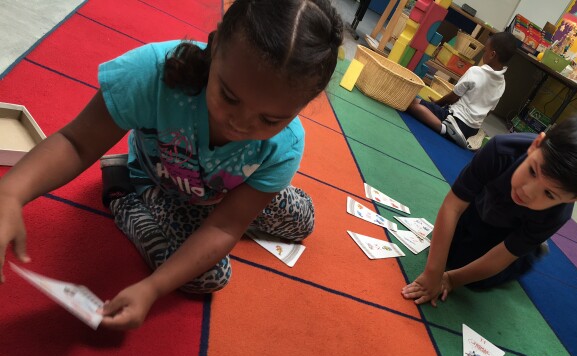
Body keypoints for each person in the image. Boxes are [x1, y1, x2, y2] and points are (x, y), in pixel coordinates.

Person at [0, 0, 343, 330]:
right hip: (165, 180)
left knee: (303, 219)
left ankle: (232, 201)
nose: (239, 123)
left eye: (270, 119)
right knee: (210, 275)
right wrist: (11, 193)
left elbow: (225, 228)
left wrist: (152, 288)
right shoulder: (154, 73)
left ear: (303, 105)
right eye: (229, 96)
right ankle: (122, 191)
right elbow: (76, 143)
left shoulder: (285, 146)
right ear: (217, 41)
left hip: (225, 192)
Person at [401, 114, 577, 306]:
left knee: (479, 279)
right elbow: (453, 206)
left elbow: (501, 256)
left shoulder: (558, 214)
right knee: (443, 250)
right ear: (536, 144)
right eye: (532, 171)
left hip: (509, 229)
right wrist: (433, 272)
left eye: (549, 194)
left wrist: (449, 279)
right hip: (482, 208)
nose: (528, 191)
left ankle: (532, 249)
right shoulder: (500, 149)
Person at [406, 31, 518, 149]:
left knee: (413, 104)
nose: (484, 53)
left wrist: (436, 105)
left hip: (455, 119)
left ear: (492, 54)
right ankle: (457, 132)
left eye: (485, 50)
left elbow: (453, 97)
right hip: (472, 129)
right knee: (420, 104)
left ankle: (444, 130)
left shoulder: (476, 71)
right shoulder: (502, 83)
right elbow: (489, 110)